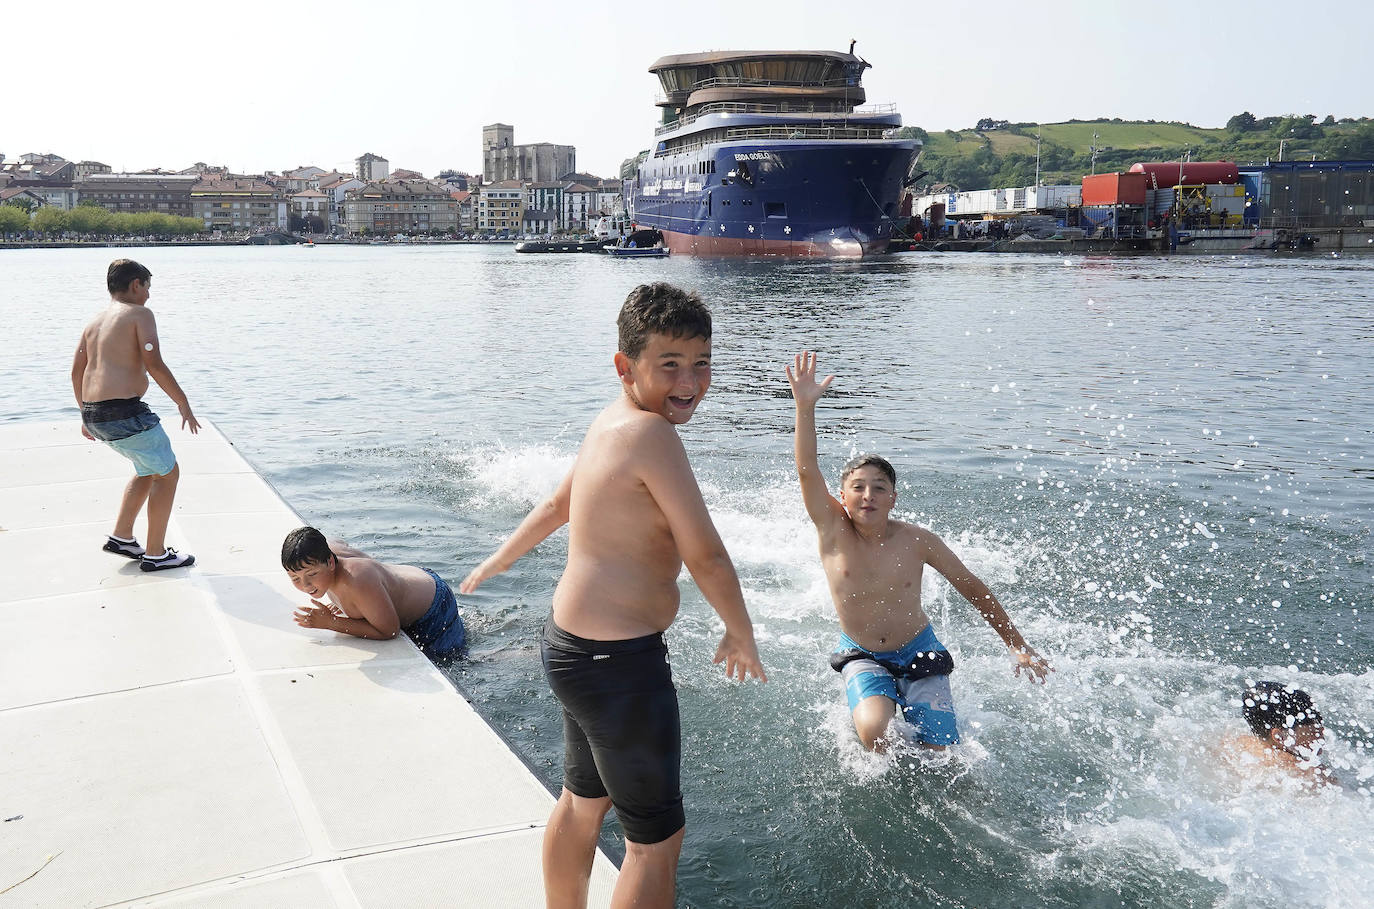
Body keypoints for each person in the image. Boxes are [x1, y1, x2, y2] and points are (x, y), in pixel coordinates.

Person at [461, 283, 766, 909]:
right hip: (618, 665)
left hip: (571, 649)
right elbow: (704, 553)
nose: (690, 381)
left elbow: (556, 504)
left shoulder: (611, 421)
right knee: (655, 842)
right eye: (670, 365)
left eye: (701, 363)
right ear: (626, 365)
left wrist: (501, 557)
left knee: (583, 802)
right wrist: (739, 630)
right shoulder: (653, 437)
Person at [786, 351, 1051, 753]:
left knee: (942, 751)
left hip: (919, 649)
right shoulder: (833, 530)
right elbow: (807, 469)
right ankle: (879, 707)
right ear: (841, 497)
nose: (868, 495)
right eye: (858, 486)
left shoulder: (917, 540)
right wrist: (805, 407)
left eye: (878, 487)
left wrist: (1016, 643)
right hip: (863, 652)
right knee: (875, 736)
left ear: (893, 498)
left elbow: (970, 585)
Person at [71, 259, 199, 571]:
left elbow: (77, 371)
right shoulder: (140, 314)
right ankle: (156, 554)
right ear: (135, 285)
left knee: (147, 469)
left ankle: (122, 537)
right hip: (124, 412)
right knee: (168, 473)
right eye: (147, 288)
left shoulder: (94, 322)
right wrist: (183, 402)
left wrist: (85, 415)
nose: (149, 296)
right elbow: (153, 363)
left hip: (94, 413)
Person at [282, 527, 466, 658]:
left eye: (312, 574)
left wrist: (331, 622)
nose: (305, 585)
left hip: (435, 608)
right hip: (413, 581)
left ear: (330, 562)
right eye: (295, 578)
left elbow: (389, 631)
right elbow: (337, 540)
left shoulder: (357, 580)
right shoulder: (326, 550)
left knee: (451, 661)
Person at [1232, 681, 1335, 784]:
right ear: (1279, 736)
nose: (1322, 739)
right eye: (1314, 734)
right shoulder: (1311, 775)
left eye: (1321, 731)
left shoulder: (1237, 745)